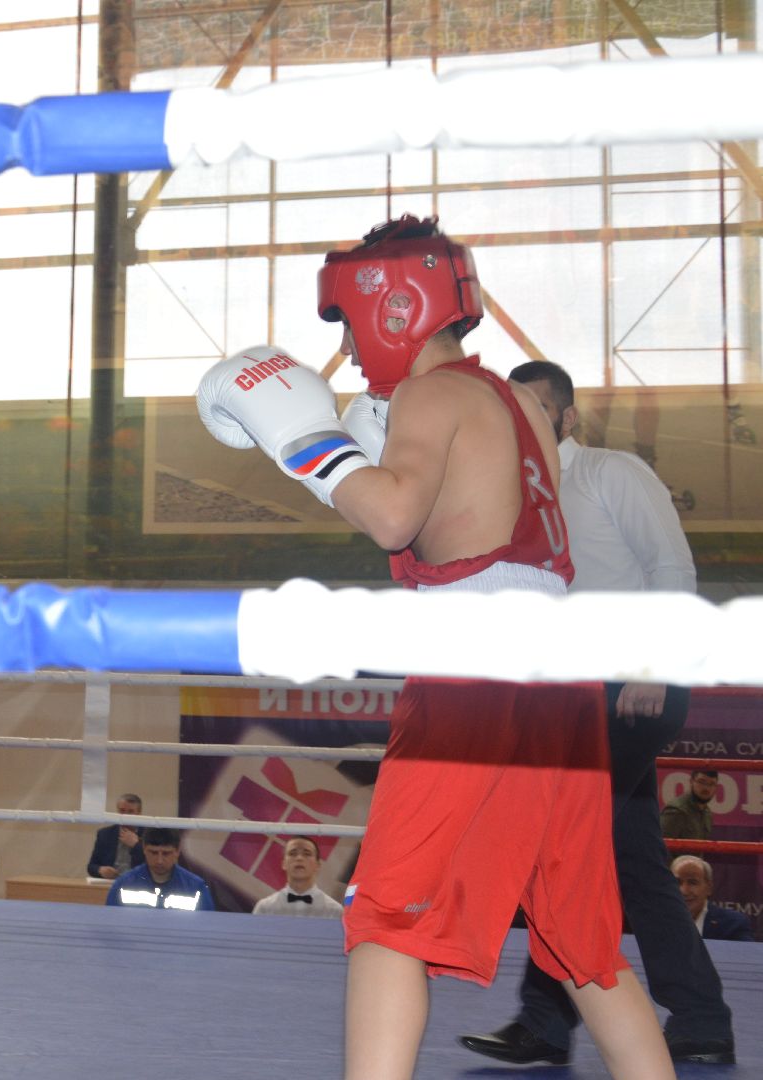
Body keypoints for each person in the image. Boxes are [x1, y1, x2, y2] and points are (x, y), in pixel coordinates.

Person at [196, 214, 673, 1080]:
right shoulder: (524, 403)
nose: (345, 343)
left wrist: (309, 442)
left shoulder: (432, 395)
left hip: (474, 665)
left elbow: (392, 513)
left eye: (345, 320)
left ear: (392, 305)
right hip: (559, 676)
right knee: (584, 945)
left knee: (385, 921)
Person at [459, 360, 735, 1066]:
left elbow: (673, 569)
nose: (522, 419)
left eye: (536, 407)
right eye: (510, 408)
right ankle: (700, 1016)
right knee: (631, 860)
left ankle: (546, 1023)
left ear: (568, 417)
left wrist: (651, 665)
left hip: (636, 687)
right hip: (568, 700)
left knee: (563, 843)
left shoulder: (612, 473)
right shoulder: (517, 498)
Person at [103, 828, 215, 911]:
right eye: (154, 853)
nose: (159, 860)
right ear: (144, 849)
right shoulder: (123, 884)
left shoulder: (196, 888)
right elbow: (111, 925)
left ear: (178, 851)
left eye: (166, 853)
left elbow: (207, 927)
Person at [252, 837, 343, 918]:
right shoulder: (265, 908)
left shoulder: (335, 911)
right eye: (293, 853)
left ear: (317, 865)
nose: (299, 858)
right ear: (283, 863)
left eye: (307, 854)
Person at [673, 856, 755, 942]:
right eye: (677, 882)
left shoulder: (733, 924)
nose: (684, 891)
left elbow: (746, 954)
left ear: (709, 888)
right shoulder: (659, 921)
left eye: (693, 882)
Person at [86, 793, 143, 879]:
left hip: (138, 883)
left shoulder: (149, 834)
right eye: (122, 810)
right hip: (111, 883)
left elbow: (155, 866)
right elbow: (91, 866)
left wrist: (136, 845)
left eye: (130, 811)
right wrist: (100, 870)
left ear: (139, 813)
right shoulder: (105, 834)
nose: (125, 815)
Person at [662, 768, 718, 841]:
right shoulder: (677, 811)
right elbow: (660, 847)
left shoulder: (707, 813)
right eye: (701, 782)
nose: (706, 788)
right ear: (691, 782)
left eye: (711, 784)